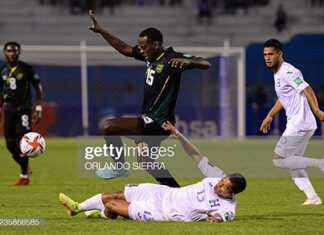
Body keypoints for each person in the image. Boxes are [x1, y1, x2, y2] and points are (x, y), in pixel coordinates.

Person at [88, 10, 211, 187]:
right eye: (141, 47)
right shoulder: (150, 56)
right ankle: (175, 192)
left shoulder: (171, 59)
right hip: (151, 119)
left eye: (144, 47)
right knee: (146, 161)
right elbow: (125, 49)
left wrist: (190, 62)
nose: (142, 51)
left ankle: (120, 166)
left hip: (159, 121)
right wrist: (101, 31)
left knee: (109, 126)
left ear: (155, 45)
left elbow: (206, 63)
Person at [59, 121, 246, 222]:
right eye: (222, 181)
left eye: (224, 186)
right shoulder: (217, 177)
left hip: (161, 212)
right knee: (117, 194)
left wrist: (217, 219)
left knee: (113, 205)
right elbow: (195, 155)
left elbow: (222, 217)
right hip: (164, 193)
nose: (219, 184)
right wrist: (179, 135)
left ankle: (99, 214)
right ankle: (78, 208)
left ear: (231, 193)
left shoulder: (227, 208)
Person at [260, 39, 324, 205]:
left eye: (271, 54)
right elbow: (283, 98)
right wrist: (270, 115)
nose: (267, 58)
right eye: (265, 55)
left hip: (299, 123)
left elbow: (306, 88)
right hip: (300, 124)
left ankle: (320, 163)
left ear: (280, 54)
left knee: (278, 159)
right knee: (293, 163)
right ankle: (312, 197)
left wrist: (317, 111)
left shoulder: (288, 72)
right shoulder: (278, 73)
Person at [0, 42, 43, 186]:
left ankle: (24, 175)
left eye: (14, 51)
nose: (11, 53)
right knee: (9, 144)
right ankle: (26, 168)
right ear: (5, 52)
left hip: (24, 110)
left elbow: (38, 87)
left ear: (19, 52)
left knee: (23, 142)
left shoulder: (26, 69)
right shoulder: (3, 71)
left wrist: (38, 109)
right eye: (9, 51)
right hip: (9, 109)